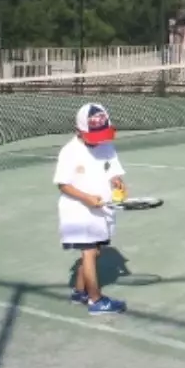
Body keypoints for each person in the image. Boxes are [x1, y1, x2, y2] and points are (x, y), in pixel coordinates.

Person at [55, 103, 128, 315]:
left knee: (94, 251)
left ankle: (80, 292)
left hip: (101, 210)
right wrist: (86, 198)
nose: (99, 140)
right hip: (77, 210)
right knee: (88, 252)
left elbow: (114, 172)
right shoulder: (69, 152)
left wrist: (117, 183)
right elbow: (63, 184)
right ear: (79, 130)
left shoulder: (107, 146)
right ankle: (96, 300)